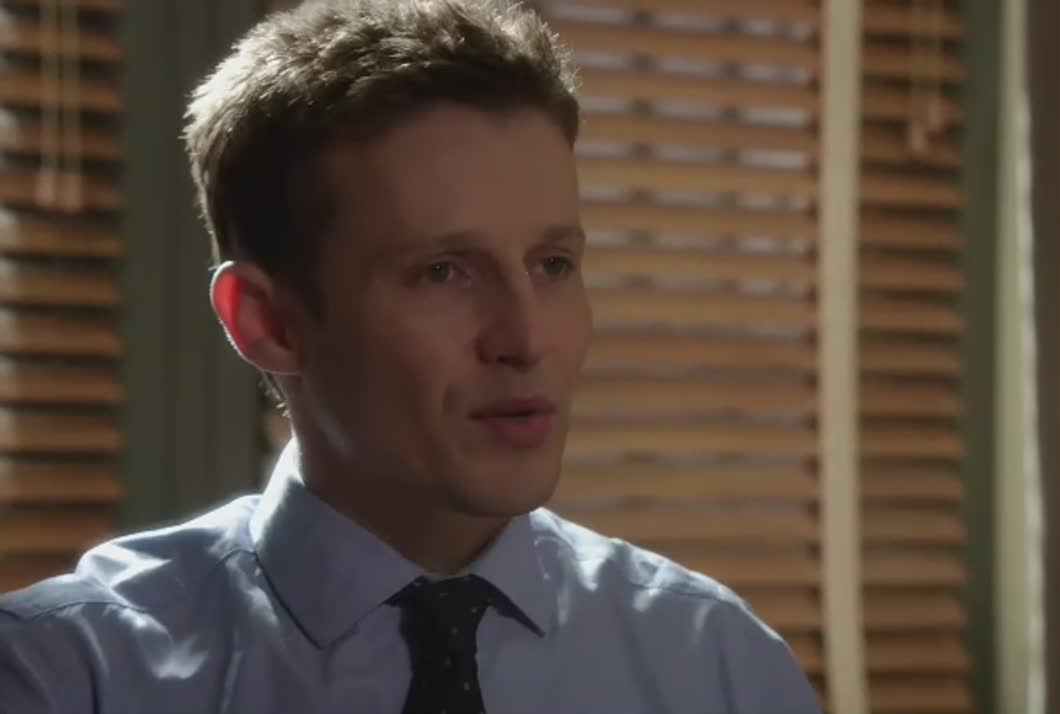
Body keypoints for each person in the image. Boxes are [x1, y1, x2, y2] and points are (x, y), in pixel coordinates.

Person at [0, 1, 823, 713]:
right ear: (268, 321)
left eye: (553, 265)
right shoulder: (70, 675)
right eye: (443, 273)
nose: (527, 339)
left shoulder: (718, 664)